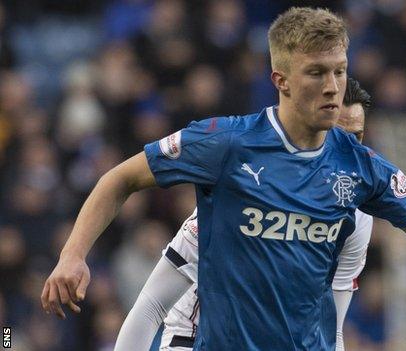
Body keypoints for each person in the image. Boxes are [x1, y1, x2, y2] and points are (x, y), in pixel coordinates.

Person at [42, 7, 406, 350]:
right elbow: (119, 180)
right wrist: (72, 255)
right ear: (280, 80)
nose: (332, 87)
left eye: (340, 71)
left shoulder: (362, 168)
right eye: (316, 73)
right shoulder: (226, 144)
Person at [113, 77, 374, 351]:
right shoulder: (244, 194)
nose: (348, 150)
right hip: (196, 339)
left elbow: (331, 331)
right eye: (338, 134)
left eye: (357, 136)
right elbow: (151, 305)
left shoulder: (356, 218)